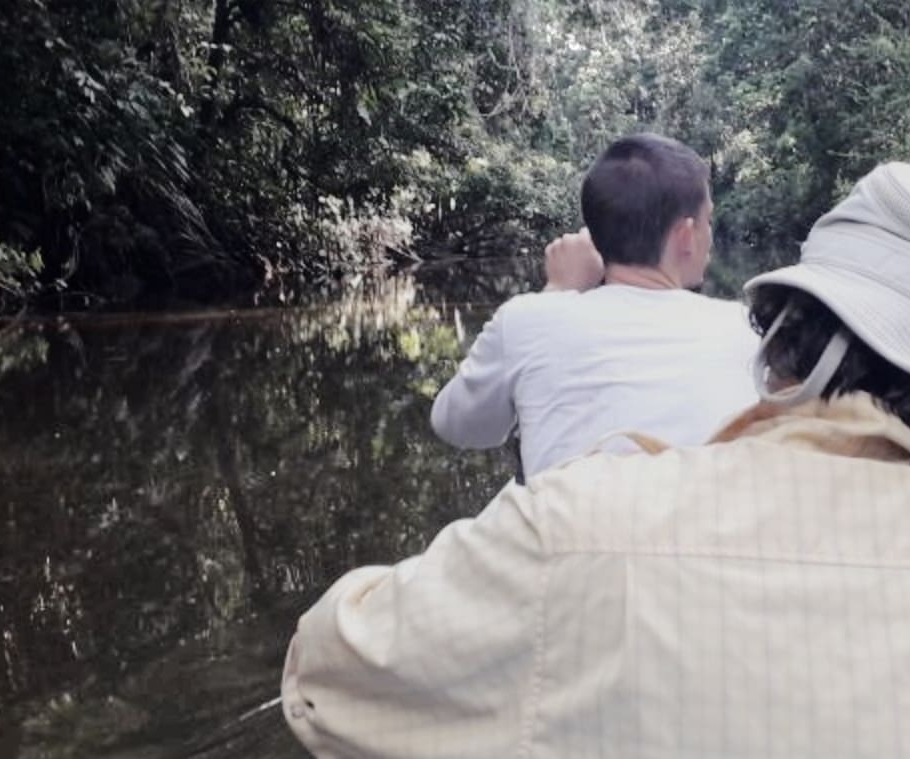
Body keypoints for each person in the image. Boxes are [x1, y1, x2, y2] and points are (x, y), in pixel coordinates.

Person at [282, 161, 910, 758]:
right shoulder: (721, 327)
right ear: (688, 233)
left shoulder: (569, 520)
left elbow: (325, 672)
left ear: (781, 344)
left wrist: (554, 296)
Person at [431, 133, 759, 476]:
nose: (710, 234)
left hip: (571, 527)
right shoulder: (747, 328)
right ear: (686, 236)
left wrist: (557, 288)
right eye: (708, 220)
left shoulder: (526, 319)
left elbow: (455, 425)